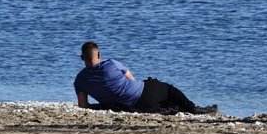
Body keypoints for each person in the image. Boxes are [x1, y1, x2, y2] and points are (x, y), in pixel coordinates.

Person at [73, 41, 217, 115]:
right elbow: (131, 78)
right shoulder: (111, 63)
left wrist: (103, 103)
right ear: (99, 54)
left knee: (164, 104)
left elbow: (83, 106)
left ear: (82, 58)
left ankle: (179, 109)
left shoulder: (79, 80)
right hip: (142, 94)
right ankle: (193, 108)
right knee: (167, 89)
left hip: (127, 107)